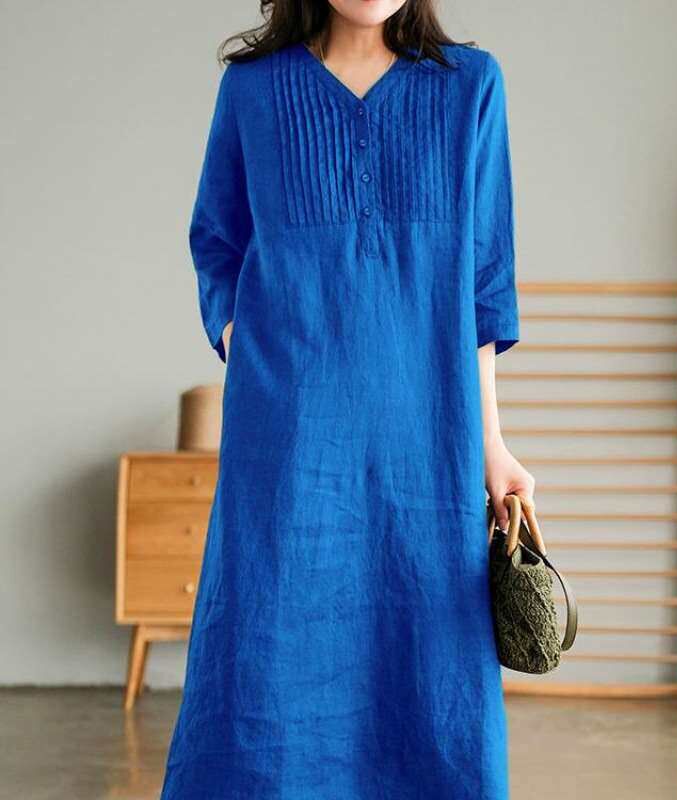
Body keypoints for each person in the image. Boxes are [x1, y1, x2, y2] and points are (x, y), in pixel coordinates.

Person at [160, 1, 540, 797]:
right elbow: (216, 241)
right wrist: (248, 342)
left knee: (427, 664)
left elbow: (483, 280)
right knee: (269, 651)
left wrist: (492, 444)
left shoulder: (471, 85)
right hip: (288, 435)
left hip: (425, 438)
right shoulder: (253, 89)